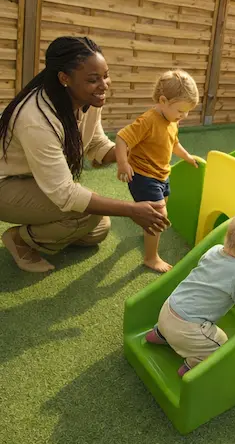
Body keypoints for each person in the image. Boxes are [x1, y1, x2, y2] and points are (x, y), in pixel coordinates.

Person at [0, 36, 168, 274]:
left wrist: (133, 151)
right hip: (7, 186)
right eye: (93, 79)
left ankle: (49, 227)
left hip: (37, 179)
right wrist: (132, 209)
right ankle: (20, 239)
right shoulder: (36, 119)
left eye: (105, 75)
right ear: (64, 79)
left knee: (98, 229)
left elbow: (96, 144)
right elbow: (65, 194)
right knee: (82, 212)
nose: (104, 85)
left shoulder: (85, 100)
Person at [146, 209, 235, 376]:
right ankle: (192, 364)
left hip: (168, 309)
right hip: (187, 329)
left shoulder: (214, 250)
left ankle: (159, 334)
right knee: (221, 345)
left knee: (175, 321)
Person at [116, 70, 200, 273]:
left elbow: (174, 143)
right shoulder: (148, 120)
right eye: (181, 110)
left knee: (160, 209)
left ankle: (147, 231)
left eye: (187, 111)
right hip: (143, 176)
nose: (184, 116)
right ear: (163, 100)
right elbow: (122, 138)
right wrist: (122, 164)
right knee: (159, 215)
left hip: (162, 174)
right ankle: (151, 257)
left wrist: (187, 156)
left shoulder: (172, 121)